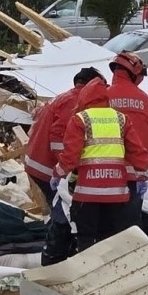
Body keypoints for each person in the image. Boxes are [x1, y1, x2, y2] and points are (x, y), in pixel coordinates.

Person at [52, 77, 148, 252]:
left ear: (84, 99)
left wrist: (58, 173)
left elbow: (70, 156)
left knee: (86, 240)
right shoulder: (121, 119)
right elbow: (137, 150)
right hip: (116, 194)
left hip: (87, 194)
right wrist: (142, 175)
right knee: (109, 239)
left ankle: (87, 272)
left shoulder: (80, 119)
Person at [23, 67, 104, 266]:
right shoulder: (74, 101)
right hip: (47, 167)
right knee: (64, 213)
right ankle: (55, 257)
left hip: (38, 163)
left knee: (60, 211)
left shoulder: (66, 97)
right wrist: (67, 169)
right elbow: (59, 137)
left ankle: (57, 253)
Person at [107, 52, 148, 223]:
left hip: (103, 174)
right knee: (129, 230)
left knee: (103, 229)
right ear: (135, 73)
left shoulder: (103, 96)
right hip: (134, 175)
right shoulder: (145, 100)